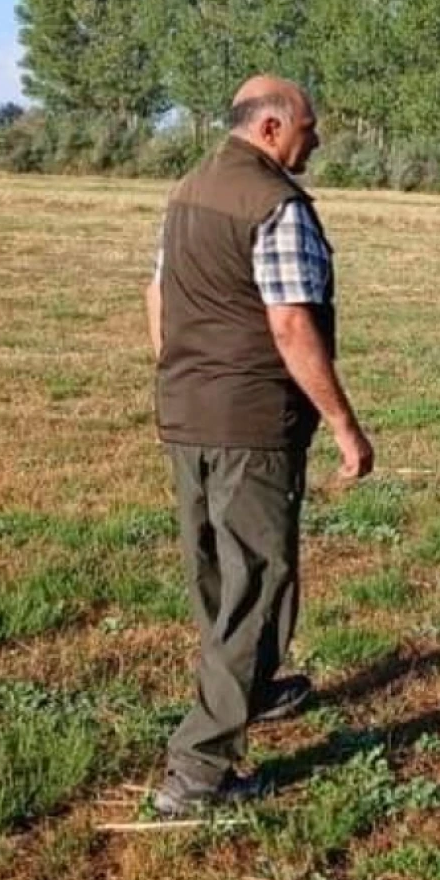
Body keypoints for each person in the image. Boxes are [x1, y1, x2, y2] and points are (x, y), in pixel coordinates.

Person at [143, 75, 374, 815]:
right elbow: (290, 325)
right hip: (251, 422)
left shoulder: (187, 190)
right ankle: (199, 770)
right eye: (310, 125)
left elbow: (157, 295)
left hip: (188, 412)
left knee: (216, 570)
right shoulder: (278, 203)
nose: (318, 138)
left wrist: (182, 371)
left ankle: (255, 689)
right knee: (262, 583)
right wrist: (343, 424)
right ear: (272, 128)